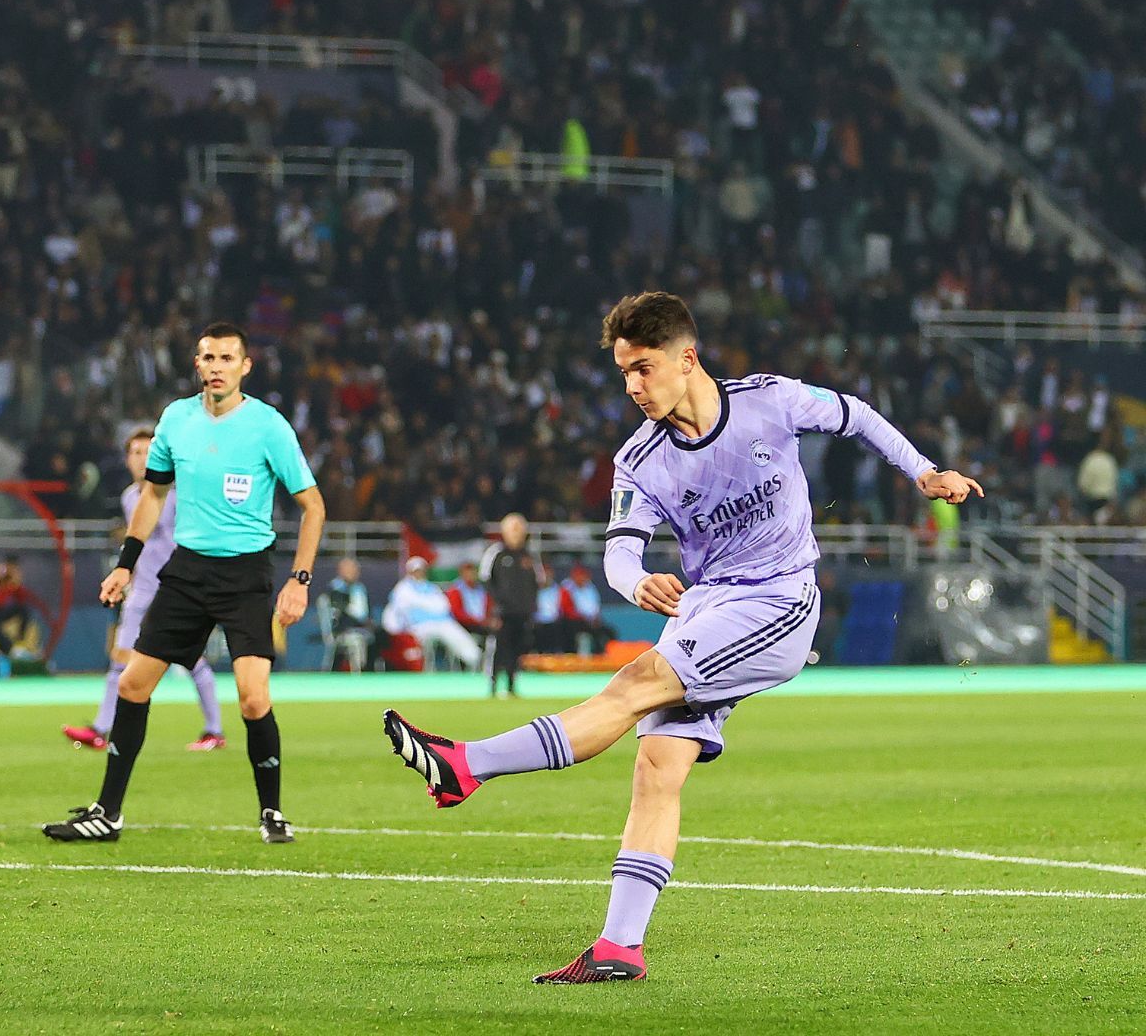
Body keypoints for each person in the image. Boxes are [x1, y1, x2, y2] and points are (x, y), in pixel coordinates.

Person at [381, 291, 982, 984]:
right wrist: (635, 584)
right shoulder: (640, 459)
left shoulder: (772, 400)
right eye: (623, 374)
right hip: (707, 609)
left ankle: (468, 764)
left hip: (779, 599)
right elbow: (619, 550)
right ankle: (619, 949)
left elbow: (857, 416)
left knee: (632, 684)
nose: (632, 387)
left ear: (685, 358)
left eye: (642, 369)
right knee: (658, 767)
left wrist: (924, 471)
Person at [43, 322, 325, 844]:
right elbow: (152, 495)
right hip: (187, 571)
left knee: (252, 699)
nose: (216, 367)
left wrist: (299, 581)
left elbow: (313, 506)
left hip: (245, 575)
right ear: (196, 364)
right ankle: (108, 813)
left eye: (226, 358)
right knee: (131, 684)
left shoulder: (268, 426)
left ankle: (272, 813)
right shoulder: (175, 419)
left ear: (245, 367)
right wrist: (126, 563)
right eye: (207, 358)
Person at [60, 428, 225, 753]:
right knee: (119, 660)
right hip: (142, 592)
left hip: (177, 592)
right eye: (135, 452)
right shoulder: (128, 498)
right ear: (127, 459)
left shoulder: (177, 496)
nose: (142, 459)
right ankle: (100, 730)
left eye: (148, 452)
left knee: (193, 661)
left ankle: (214, 731)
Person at [381, 556, 482, 671]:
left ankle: (475, 661)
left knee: (455, 632)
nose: (419, 573)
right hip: (417, 627)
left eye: (421, 570)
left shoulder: (432, 588)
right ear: (410, 571)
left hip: (441, 622)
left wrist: (423, 605)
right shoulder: (402, 589)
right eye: (416, 571)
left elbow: (443, 607)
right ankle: (424, 668)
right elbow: (399, 610)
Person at [480, 513, 538, 695]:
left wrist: (530, 607)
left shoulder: (529, 555)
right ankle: (493, 685)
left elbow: (537, 582)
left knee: (517, 650)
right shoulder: (496, 552)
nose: (516, 533)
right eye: (512, 529)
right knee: (498, 649)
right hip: (501, 613)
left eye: (519, 529)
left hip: (522, 612)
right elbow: (485, 580)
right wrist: (494, 608)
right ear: (504, 531)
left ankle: (512, 686)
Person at [324, 557, 373, 672]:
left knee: (382, 635)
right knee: (357, 640)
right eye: (351, 569)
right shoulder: (335, 589)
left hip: (363, 627)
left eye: (356, 569)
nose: (355, 572)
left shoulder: (360, 588)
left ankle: (374, 672)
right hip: (344, 629)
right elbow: (338, 614)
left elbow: (366, 611)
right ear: (341, 570)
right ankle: (359, 671)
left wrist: (369, 622)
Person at [446, 561, 499, 667]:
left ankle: (494, 663)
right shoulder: (456, 590)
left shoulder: (482, 590)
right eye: (467, 572)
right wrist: (478, 621)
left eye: (472, 572)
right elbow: (457, 613)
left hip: (481, 623)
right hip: (463, 624)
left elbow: (490, 607)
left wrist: (490, 619)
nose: (470, 575)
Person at [557, 563, 613, 654]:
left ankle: (601, 654)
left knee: (608, 631)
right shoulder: (567, 588)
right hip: (574, 621)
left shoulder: (590, 588)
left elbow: (596, 607)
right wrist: (584, 618)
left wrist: (595, 617)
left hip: (590, 621)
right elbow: (567, 609)